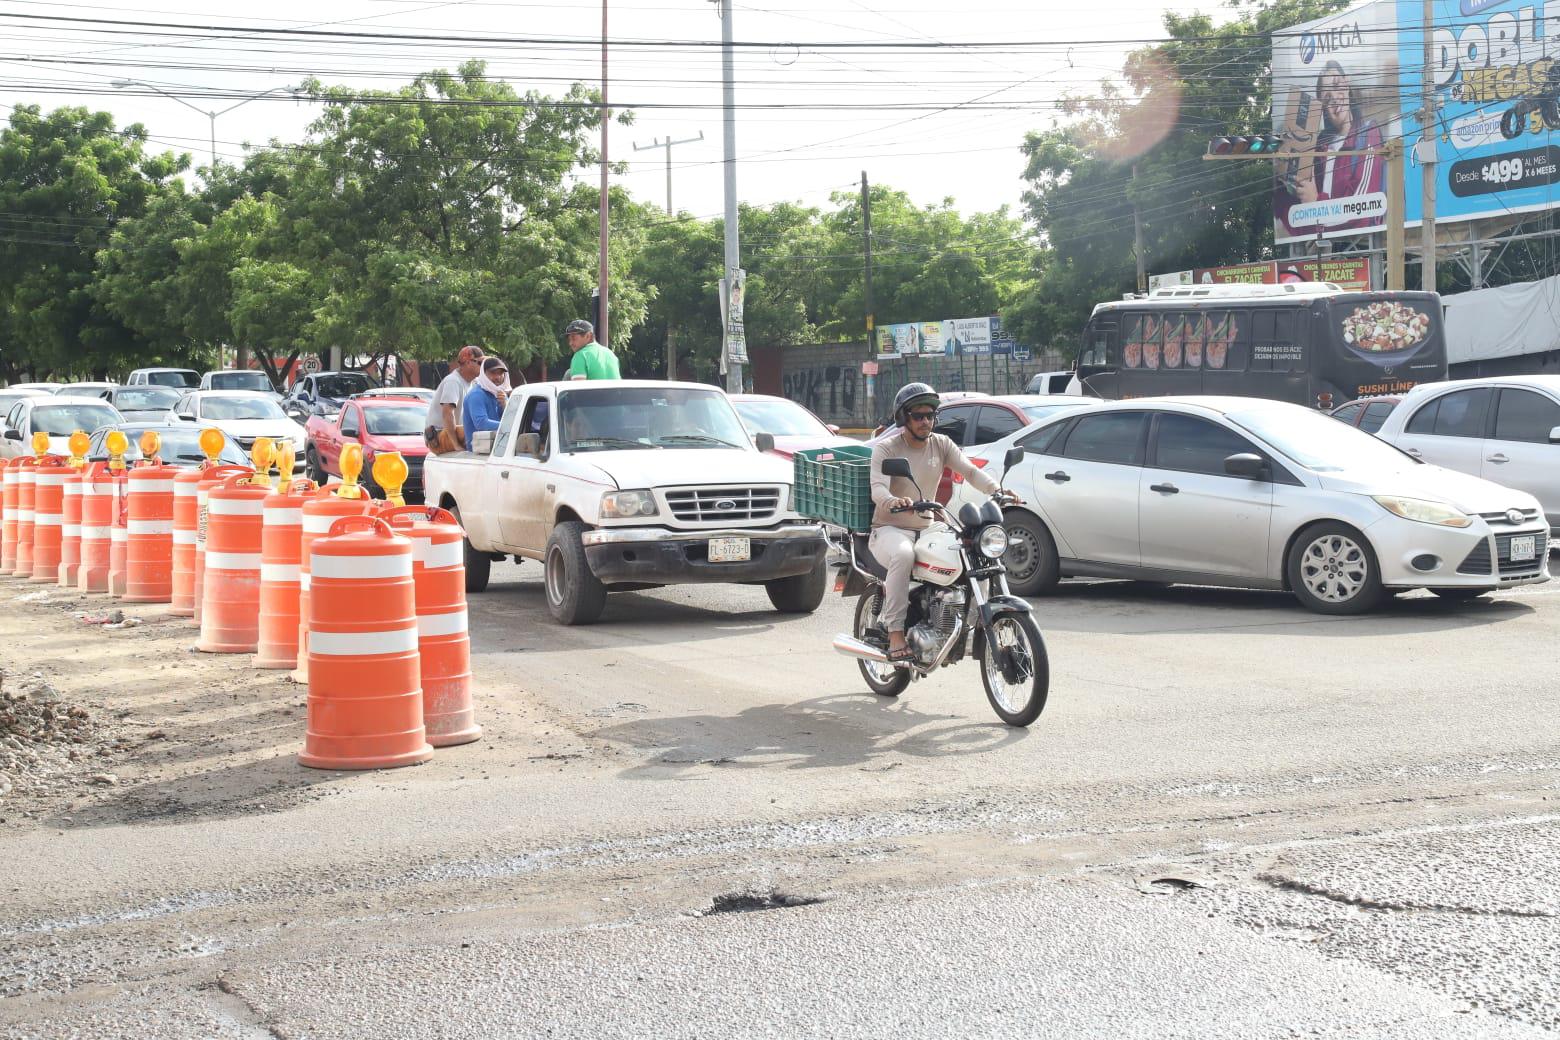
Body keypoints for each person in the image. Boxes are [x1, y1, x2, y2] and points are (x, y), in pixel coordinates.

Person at [868, 383, 1010, 663]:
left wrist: (996, 490)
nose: (925, 421)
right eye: (918, 416)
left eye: (930, 415)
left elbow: (969, 470)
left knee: (970, 548)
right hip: (890, 528)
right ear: (903, 418)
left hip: (928, 526)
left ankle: (964, 618)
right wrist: (893, 501)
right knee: (903, 554)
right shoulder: (886, 449)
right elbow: (878, 489)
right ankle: (896, 631)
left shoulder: (941, 444)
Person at [1274, 61, 1385, 236]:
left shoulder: (1368, 133)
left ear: (1347, 83)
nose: (1334, 98)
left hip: (1362, 247)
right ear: (1322, 107)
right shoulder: (1316, 150)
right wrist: (1282, 182)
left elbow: (1363, 211)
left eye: (1337, 86)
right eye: (1326, 97)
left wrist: (1316, 203)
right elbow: (1296, 219)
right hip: (1321, 256)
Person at [426, 345, 483, 454]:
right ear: (468, 362)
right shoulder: (453, 381)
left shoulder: (474, 383)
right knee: (479, 431)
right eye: (480, 363)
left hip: (453, 434)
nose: (483, 366)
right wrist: (456, 445)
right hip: (438, 437)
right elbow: (447, 413)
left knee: (485, 432)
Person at [461, 356, 511, 451]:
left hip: (498, 448)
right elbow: (481, 423)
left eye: (500, 373)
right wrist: (510, 426)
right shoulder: (476, 395)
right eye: (493, 373)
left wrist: (505, 405)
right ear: (484, 374)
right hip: (479, 452)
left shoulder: (501, 394)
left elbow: (510, 418)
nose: (497, 377)